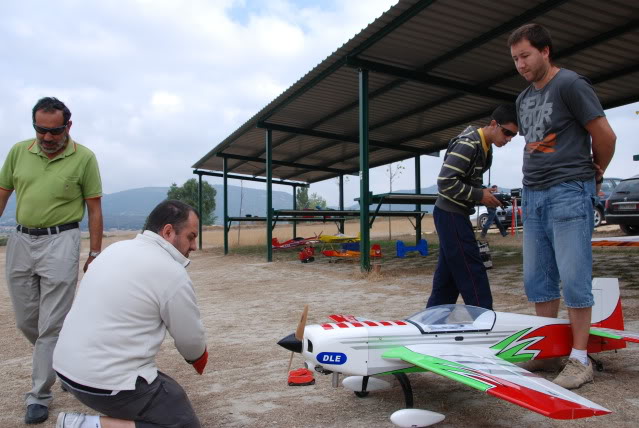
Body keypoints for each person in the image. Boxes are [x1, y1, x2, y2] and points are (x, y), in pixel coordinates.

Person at [508, 23, 616, 389]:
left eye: (525, 55)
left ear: (545, 51)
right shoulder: (523, 99)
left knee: (573, 277)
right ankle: (549, 351)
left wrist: (595, 174)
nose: (521, 64)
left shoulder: (571, 84)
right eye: (515, 59)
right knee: (537, 280)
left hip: (569, 189)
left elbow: (605, 135)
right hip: (533, 194)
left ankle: (580, 358)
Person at [53, 200, 208, 428]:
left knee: (169, 389)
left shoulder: (115, 249)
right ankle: (83, 425)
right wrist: (198, 358)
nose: (194, 246)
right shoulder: (171, 272)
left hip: (66, 370)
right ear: (168, 232)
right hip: (103, 384)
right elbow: (191, 342)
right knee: (183, 422)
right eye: (191, 236)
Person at [0, 97, 103, 424]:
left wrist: (95, 252)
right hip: (19, 240)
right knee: (26, 321)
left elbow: (95, 209)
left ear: (67, 127)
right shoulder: (18, 151)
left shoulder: (84, 158)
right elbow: (2, 193)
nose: (46, 138)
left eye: (54, 131)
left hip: (62, 240)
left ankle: (39, 396)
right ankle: (65, 364)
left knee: (50, 325)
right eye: (40, 130)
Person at [427, 104, 518, 310]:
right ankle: (484, 318)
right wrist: (479, 195)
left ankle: (435, 318)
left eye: (513, 135)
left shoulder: (484, 147)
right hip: (450, 213)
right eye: (507, 132)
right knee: (472, 269)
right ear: (494, 124)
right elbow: (445, 182)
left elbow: (463, 180)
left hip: (453, 213)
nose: (509, 138)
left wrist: (484, 193)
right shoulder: (469, 144)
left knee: (448, 276)